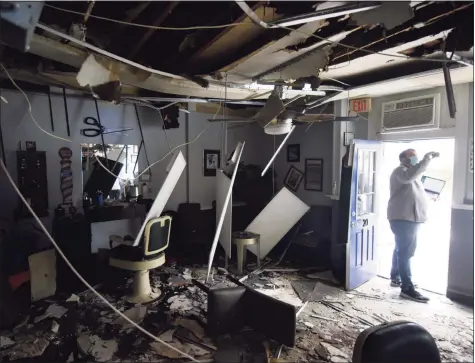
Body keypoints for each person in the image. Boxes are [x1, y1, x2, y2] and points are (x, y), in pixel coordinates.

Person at [387, 149, 439, 303]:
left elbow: (412, 191)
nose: (415, 157)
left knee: (400, 249)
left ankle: (396, 278)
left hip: (409, 218)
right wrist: (427, 158)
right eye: (412, 155)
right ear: (403, 159)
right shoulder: (400, 171)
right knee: (406, 252)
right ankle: (407, 288)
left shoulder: (411, 175)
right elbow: (410, 176)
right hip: (404, 218)